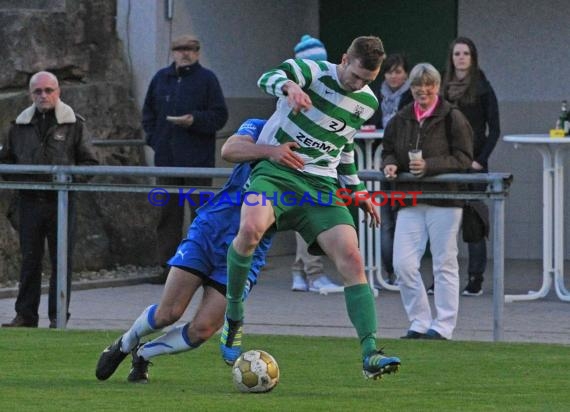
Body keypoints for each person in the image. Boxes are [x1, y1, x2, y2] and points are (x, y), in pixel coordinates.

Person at [220, 36, 401, 380]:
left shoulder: (366, 101)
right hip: (277, 171)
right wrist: (289, 87)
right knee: (249, 230)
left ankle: (370, 353)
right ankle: (233, 318)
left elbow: (343, 146)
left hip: (320, 186)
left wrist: (358, 190)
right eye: (355, 76)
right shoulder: (313, 71)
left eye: (367, 80)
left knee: (352, 257)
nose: (359, 85)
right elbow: (267, 77)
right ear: (344, 58)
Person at [96, 118, 294, 383]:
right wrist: (272, 152)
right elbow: (230, 150)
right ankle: (124, 343)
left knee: (203, 330)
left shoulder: (317, 157)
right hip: (209, 231)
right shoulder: (261, 127)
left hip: (248, 253)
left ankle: (142, 354)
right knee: (169, 313)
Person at [0, 71, 98, 328]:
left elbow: (90, 162)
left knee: (61, 260)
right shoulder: (18, 125)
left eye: (48, 90)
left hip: (61, 202)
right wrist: (20, 183)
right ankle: (26, 315)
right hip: (29, 201)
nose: (43, 95)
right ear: (30, 94)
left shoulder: (74, 124)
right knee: (29, 259)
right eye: (38, 91)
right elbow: (6, 161)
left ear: (58, 92)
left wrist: (68, 185)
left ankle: (58, 315)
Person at [382, 63, 473, 340]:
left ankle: (443, 326)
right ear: (411, 87)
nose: (423, 90)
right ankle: (419, 321)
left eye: (429, 85)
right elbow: (388, 150)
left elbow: (464, 158)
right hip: (409, 198)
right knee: (403, 264)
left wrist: (429, 165)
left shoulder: (452, 116)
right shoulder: (401, 118)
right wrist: (389, 165)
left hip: (445, 199)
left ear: (437, 86)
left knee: (444, 262)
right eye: (418, 85)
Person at [142, 34, 228, 284]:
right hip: (167, 159)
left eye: (190, 49)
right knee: (168, 216)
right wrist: (155, 139)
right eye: (180, 49)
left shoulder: (207, 80)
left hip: (197, 161)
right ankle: (167, 267)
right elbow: (148, 113)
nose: (185, 53)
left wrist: (195, 121)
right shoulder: (161, 79)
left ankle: (201, 267)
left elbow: (220, 115)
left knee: (201, 216)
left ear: (198, 52)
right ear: (173, 52)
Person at [440, 36, 500, 297]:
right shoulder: (441, 88)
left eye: (465, 53)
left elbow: (494, 129)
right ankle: (442, 279)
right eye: (457, 54)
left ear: (473, 58)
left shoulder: (483, 87)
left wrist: (480, 160)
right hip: (448, 163)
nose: (461, 58)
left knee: (474, 222)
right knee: (444, 223)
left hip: (473, 164)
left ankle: (475, 278)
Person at [289, 34, 341, 293]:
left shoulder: (316, 92)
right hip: (300, 164)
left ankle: (301, 271)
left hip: (310, 164)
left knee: (305, 219)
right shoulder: (298, 93)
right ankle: (313, 272)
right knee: (309, 218)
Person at [368, 53, 413, 287]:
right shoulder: (374, 96)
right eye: (389, 71)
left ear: (406, 73)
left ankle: (405, 272)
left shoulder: (412, 97)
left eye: (398, 71)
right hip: (378, 161)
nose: (394, 76)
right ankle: (388, 273)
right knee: (384, 222)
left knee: (404, 220)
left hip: (403, 165)